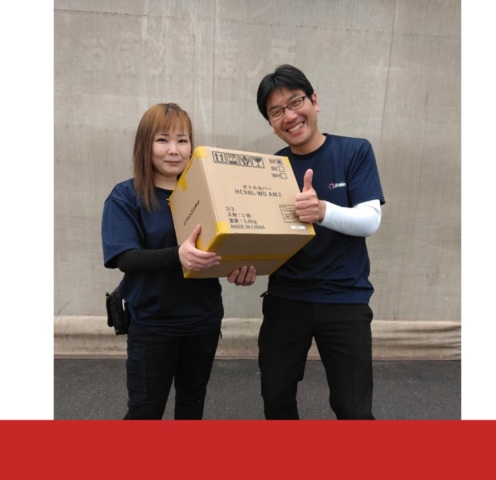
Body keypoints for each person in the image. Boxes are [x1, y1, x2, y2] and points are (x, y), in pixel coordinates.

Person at [101, 103, 256, 420]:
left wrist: (239, 267)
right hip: (153, 324)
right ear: (145, 145)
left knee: (191, 405)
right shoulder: (127, 196)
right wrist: (177, 255)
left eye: (182, 140)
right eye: (163, 140)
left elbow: (223, 246)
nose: (174, 150)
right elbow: (124, 257)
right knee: (145, 411)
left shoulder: (211, 194)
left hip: (203, 321)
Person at [255, 65, 385, 420]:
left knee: (352, 408)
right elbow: (262, 234)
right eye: (276, 112)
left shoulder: (354, 151)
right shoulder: (271, 168)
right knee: (276, 397)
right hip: (286, 298)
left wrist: (323, 210)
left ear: (314, 101)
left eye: (295, 102)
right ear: (271, 123)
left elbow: (370, 220)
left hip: (344, 298)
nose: (289, 116)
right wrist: (244, 263)